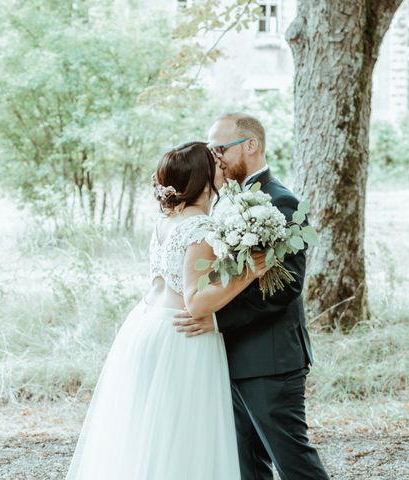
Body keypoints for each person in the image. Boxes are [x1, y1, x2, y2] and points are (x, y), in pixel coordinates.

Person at [65, 141, 270, 479]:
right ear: (204, 179)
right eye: (215, 163)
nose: (222, 165)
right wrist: (249, 273)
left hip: (146, 326)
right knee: (184, 437)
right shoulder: (200, 229)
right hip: (179, 337)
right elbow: (196, 301)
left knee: (150, 435)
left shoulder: (165, 224)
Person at [172, 113, 329, 480]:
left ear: (251, 145)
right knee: (246, 467)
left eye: (220, 149)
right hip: (229, 358)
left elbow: (285, 288)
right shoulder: (223, 202)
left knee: (294, 464)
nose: (215, 158)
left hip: (270, 360)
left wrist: (214, 318)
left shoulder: (280, 203)